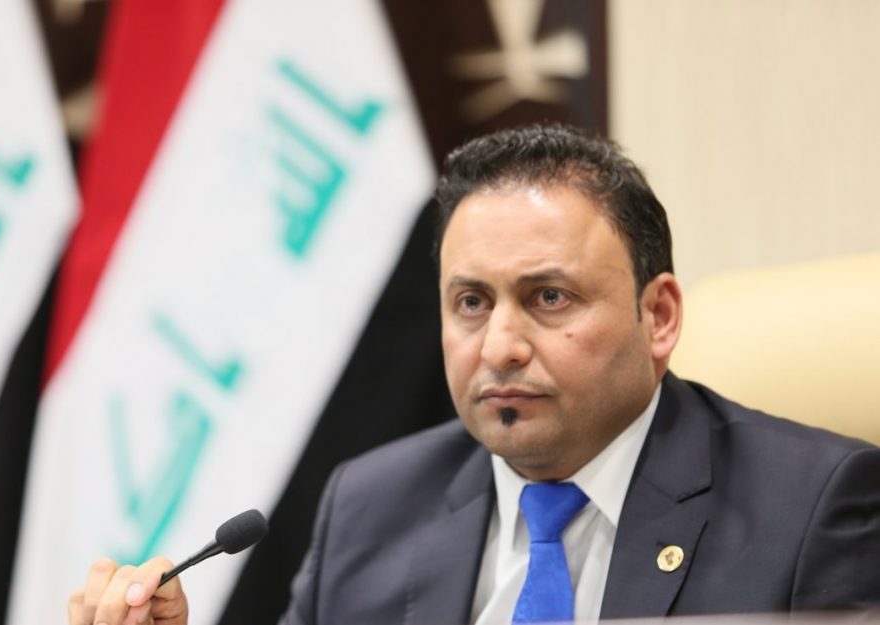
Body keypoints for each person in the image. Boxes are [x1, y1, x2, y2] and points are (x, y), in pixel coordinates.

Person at [68, 124, 880, 625]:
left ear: (658, 315)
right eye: (470, 303)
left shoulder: (814, 507)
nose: (500, 345)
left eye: (549, 297)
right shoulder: (371, 506)